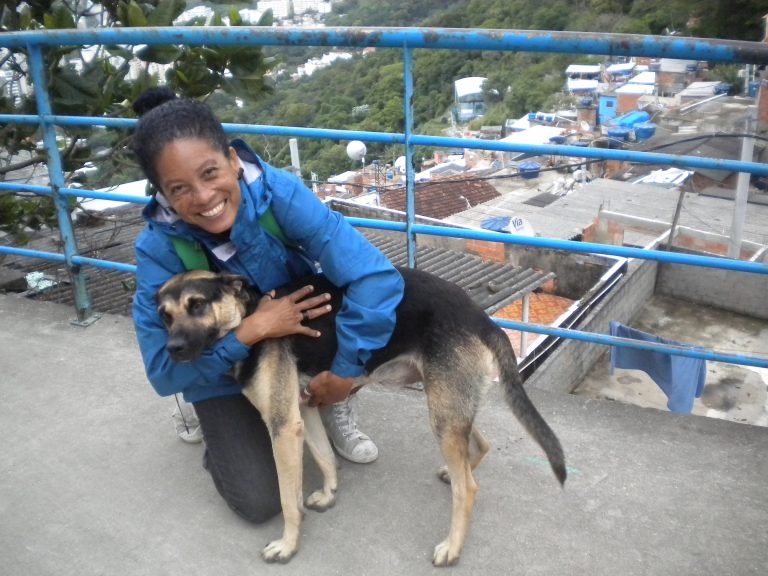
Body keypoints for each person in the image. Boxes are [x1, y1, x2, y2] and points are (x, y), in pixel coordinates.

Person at [130, 87, 404, 523]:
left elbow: (374, 277)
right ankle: (222, 439)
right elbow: (164, 374)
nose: (202, 197)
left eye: (210, 173)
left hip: (298, 333)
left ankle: (329, 399)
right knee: (258, 501)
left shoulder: (277, 193)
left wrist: (347, 372)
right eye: (179, 188)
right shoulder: (157, 251)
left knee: (363, 317)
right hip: (224, 364)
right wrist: (250, 332)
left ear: (234, 160)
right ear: (162, 195)